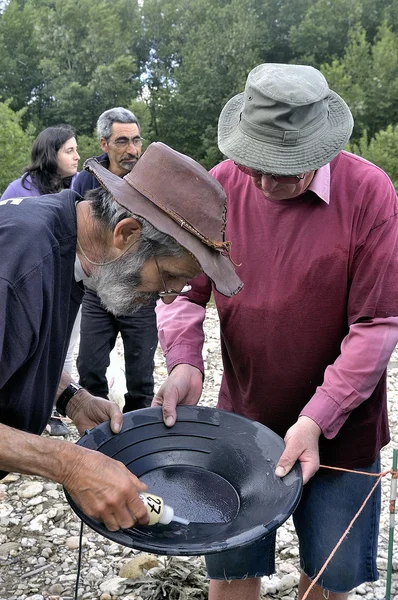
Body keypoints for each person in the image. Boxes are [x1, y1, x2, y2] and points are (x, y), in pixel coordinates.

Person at [154, 64, 398, 600]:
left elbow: (376, 326)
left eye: (283, 170)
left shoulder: (370, 194)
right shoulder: (218, 185)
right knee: (232, 568)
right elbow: (183, 292)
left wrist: (318, 417)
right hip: (242, 423)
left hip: (341, 434)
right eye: (254, 165)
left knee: (328, 576)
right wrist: (185, 362)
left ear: (320, 152)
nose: (262, 183)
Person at [0, 141, 243, 533]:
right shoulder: (20, 263)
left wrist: (69, 397)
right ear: (127, 233)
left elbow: (19, 344)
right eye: (169, 278)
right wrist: (70, 463)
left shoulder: (67, 243)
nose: (166, 297)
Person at [72, 107, 158, 413]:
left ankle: (138, 441)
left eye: (137, 140)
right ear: (104, 144)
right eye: (123, 141)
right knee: (90, 368)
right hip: (97, 293)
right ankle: (96, 438)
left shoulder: (152, 180)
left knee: (141, 377)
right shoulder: (84, 182)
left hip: (139, 293)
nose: (133, 149)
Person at [1, 124, 81, 436]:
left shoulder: (74, 189)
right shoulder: (19, 190)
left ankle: (51, 405)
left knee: (63, 347)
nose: (77, 156)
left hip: (65, 285)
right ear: (51, 153)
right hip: (28, 287)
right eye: (69, 150)